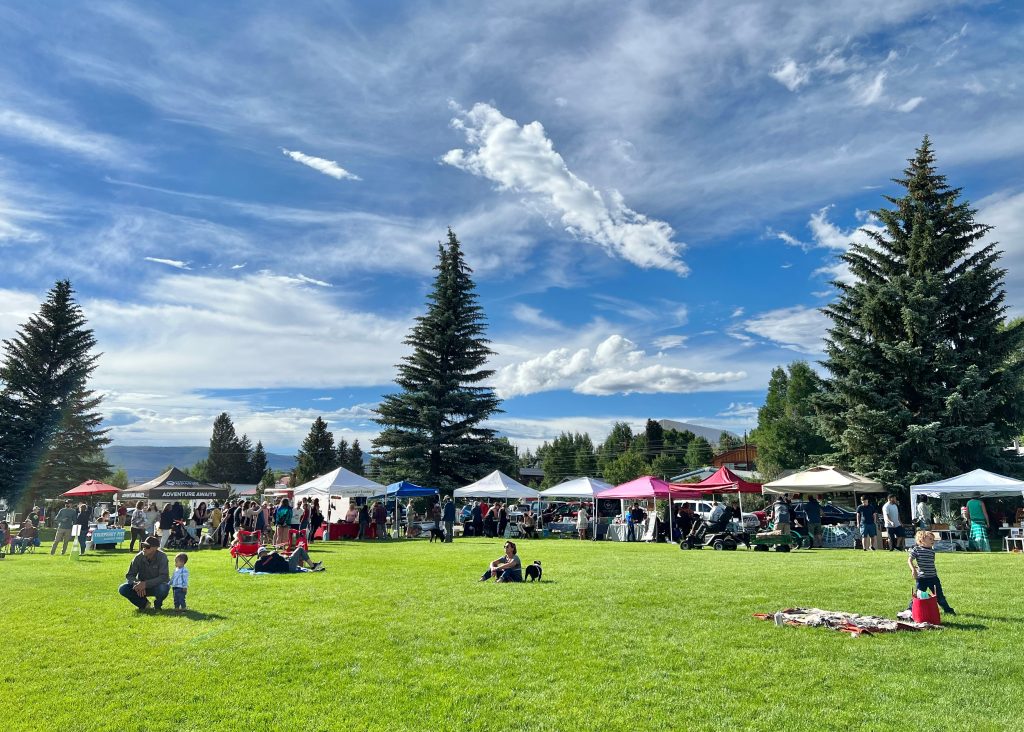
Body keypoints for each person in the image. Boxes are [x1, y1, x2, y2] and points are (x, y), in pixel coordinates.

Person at [900, 530, 956, 617]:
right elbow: (909, 560)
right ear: (921, 540)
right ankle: (910, 610)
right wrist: (913, 570)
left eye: (933, 539)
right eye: (930, 539)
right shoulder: (917, 549)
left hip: (933, 578)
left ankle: (948, 610)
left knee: (939, 596)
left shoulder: (932, 551)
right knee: (918, 595)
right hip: (922, 578)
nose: (933, 541)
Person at [118, 536, 170, 611]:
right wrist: (136, 583)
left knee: (164, 588)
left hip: (156, 586)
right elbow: (130, 575)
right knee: (123, 588)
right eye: (143, 545)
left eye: (147, 546)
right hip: (140, 587)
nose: (144, 548)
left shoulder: (162, 557)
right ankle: (144, 604)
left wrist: (145, 584)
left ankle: (158, 605)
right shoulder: (138, 557)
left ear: (155, 548)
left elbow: (164, 577)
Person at [253, 545, 323, 573]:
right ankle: (312, 566)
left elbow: (255, 570)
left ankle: (312, 568)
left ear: (259, 555)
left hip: (283, 568)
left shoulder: (257, 564)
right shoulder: (273, 555)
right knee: (300, 549)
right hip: (288, 566)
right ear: (266, 552)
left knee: (296, 559)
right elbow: (282, 559)